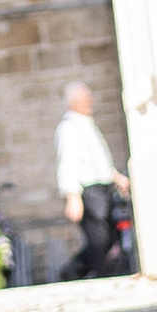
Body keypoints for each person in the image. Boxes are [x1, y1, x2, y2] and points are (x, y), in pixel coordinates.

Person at [55, 77, 133, 278]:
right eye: (87, 98)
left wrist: (115, 177)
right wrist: (72, 196)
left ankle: (82, 272)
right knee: (100, 241)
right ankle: (76, 272)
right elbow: (68, 163)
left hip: (103, 187)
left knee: (110, 237)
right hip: (88, 191)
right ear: (74, 102)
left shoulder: (87, 124)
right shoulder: (69, 128)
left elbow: (98, 160)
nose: (92, 101)